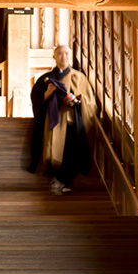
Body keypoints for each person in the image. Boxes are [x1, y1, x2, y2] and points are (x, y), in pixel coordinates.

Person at [27, 44, 94, 194]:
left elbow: (90, 101)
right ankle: (55, 179)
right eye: (60, 54)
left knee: (69, 152)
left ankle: (63, 181)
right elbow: (37, 99)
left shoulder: (79, 77)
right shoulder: (46, 79)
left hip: (70, 121)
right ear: (54, 57)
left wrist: (78, 100)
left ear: (69, 56)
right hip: (51, 123)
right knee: (52, 151)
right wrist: (47, 94)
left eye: (66, 54)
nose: (63, 57)